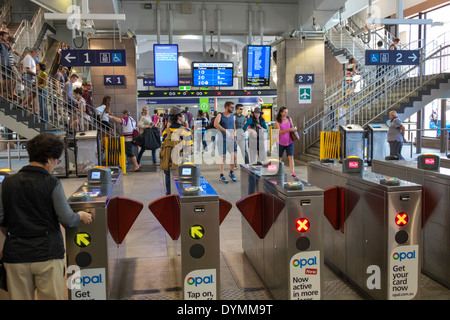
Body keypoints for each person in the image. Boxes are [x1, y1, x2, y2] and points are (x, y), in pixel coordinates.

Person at [0, 133, 92, 300]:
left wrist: (16, 239)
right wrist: (79, 215)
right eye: (57, 159)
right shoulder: (51, 182)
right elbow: (67, 219)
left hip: (16, 256)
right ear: (49, 158)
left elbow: (1, 219)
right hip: (47, 255)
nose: (56, 164)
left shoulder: (7, 183)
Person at [160, 106, 193, 195]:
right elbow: (190, 150)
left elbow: (163, 146)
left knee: (169, 187)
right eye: (182, 114)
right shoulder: (186, 131)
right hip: (182, 164)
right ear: (178, 117)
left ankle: (169, 200)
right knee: (182, 189)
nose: (184, 116)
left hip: (168, 162)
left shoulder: (165, 131)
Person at [214, 101, 237, 183]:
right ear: (227, 107)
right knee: (223, 157)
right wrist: (225, 130)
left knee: (234, 156)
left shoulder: (233, 117)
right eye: (232, 107)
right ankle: (221, 175)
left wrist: (235, 137)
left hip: (231, 140)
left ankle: (231, 172)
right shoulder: (220, 115)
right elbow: (215, 124)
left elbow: (234, 127)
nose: (233, 109)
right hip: (222, 139)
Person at [275, 106, 297, 178]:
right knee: (279, 157)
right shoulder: (277, 121)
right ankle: (277, 171)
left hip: (289, 141)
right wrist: (288, 129)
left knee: (291, 157)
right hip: (280, 142)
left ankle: (292, 172)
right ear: (281, 113)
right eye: (285, 112)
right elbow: (279, 132)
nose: (286, 113)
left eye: (287, 112)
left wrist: (294, 129)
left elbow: (292, 127)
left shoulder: (289, 119)